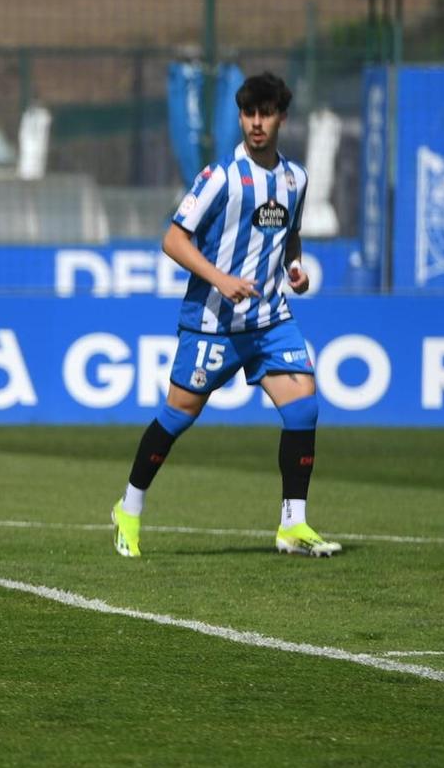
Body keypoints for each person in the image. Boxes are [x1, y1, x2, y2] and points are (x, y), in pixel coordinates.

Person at [110, 70, 338, 559]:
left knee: (304, 407)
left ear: (281, 117)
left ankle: (292, 525)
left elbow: (289, 235)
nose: (256, 123)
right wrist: (220, 278)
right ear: (240, 117)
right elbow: (173, 239)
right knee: (177, 417)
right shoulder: (221, 178)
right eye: (248, 114)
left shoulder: (294, 179)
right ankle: (128, 507)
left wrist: (295, 268)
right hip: (214, 323)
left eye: (266, 114)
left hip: (270, 321)